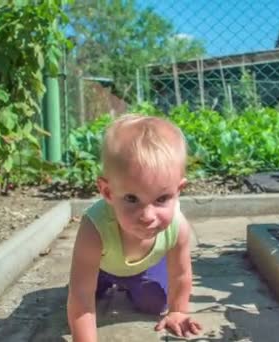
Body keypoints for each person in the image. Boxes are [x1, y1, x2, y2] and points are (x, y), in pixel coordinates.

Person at [66, 114, 202, 341]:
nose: (148, 216)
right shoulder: (94, 228)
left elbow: (180, 274)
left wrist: (178, 310)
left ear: (178, 191)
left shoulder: (178, 227)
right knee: (82, 294)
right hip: (101, 267)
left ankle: (133, 286)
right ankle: (103, 283)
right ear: (108, 192)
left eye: (161, 199)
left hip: (144, 267)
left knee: (155, 302)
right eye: (131, 199)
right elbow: (81, 296)